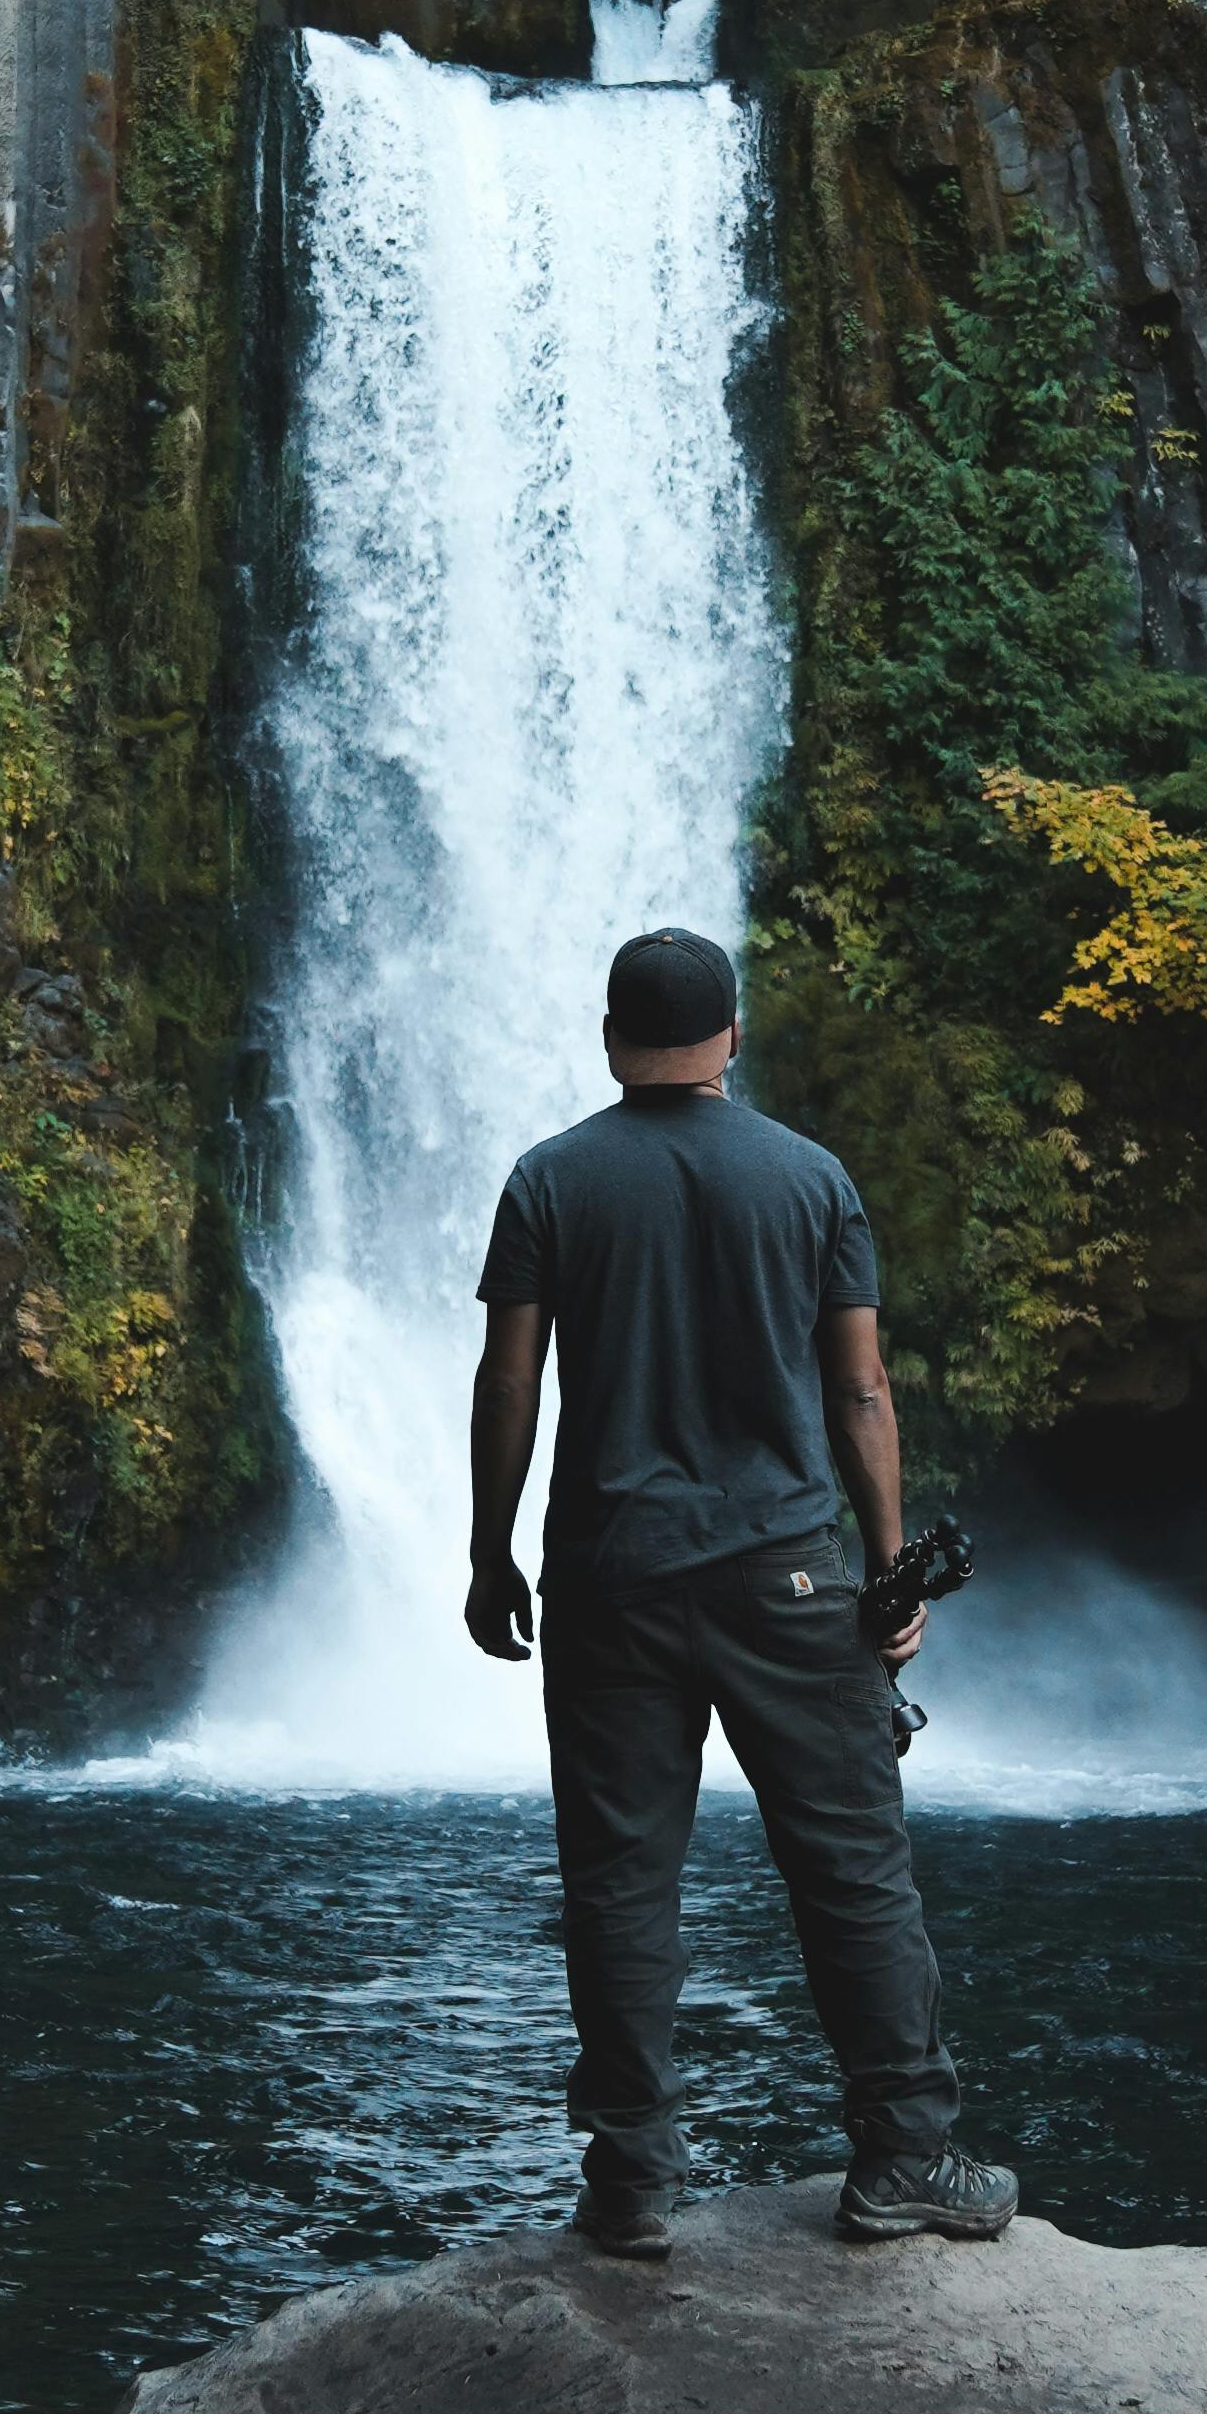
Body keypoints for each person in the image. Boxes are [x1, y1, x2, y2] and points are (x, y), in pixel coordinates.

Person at [466, 920, 1021, 2258]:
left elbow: (510, 1379)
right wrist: (888, 1575)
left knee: (617, 1879)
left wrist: (491, 1551)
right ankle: (902, 2158)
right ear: (733, 1038)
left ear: (611, 1038)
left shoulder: (549, 1181)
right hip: (787, 1576)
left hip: (609, 1578)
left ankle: (632, 2182)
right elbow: (861, 1389)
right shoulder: (812, 1179)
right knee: (851, 1875)